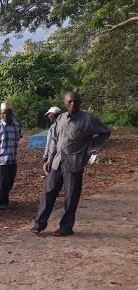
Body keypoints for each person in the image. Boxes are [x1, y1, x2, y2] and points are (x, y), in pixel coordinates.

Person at [31, 92, 111, 236]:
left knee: (71, 197)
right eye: (70, 101)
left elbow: (105, 132)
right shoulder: (60, 118)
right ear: (65, 103)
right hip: (57, 162)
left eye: (75, 101)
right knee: (48, 192)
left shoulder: (88, 119)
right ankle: (39, 224)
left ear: (79, 102)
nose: (72, 103)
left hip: (75, 163)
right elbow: (54, 141)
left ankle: (66, 228)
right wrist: (48, 160)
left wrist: (89, 145)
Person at [0, 102, 23, 209]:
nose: (5, 115)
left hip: (12, 159)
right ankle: (3, 202)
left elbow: (16, 140)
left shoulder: (16, 125)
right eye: (3, 113)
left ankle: (4, 196)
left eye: (7, 113)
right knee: (3, 181)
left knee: (11, 181)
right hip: (1, 159)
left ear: (11, 113)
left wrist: (15, 151)